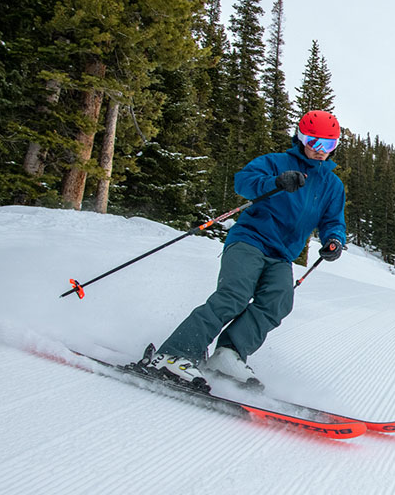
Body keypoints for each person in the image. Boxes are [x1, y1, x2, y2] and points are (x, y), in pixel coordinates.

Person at [138, 110, 347, 390]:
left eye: (328, 145)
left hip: (283, 254)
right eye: (314, 142)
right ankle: (174, 355)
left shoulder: (332, 185)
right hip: (250, 239)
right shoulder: (276, 163)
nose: (320, 151)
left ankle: (228, 353)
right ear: (301, 138)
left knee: (278, 303)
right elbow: (243, 181)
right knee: (234, 295)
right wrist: (275, 182)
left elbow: (333, 220)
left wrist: (334, 240)